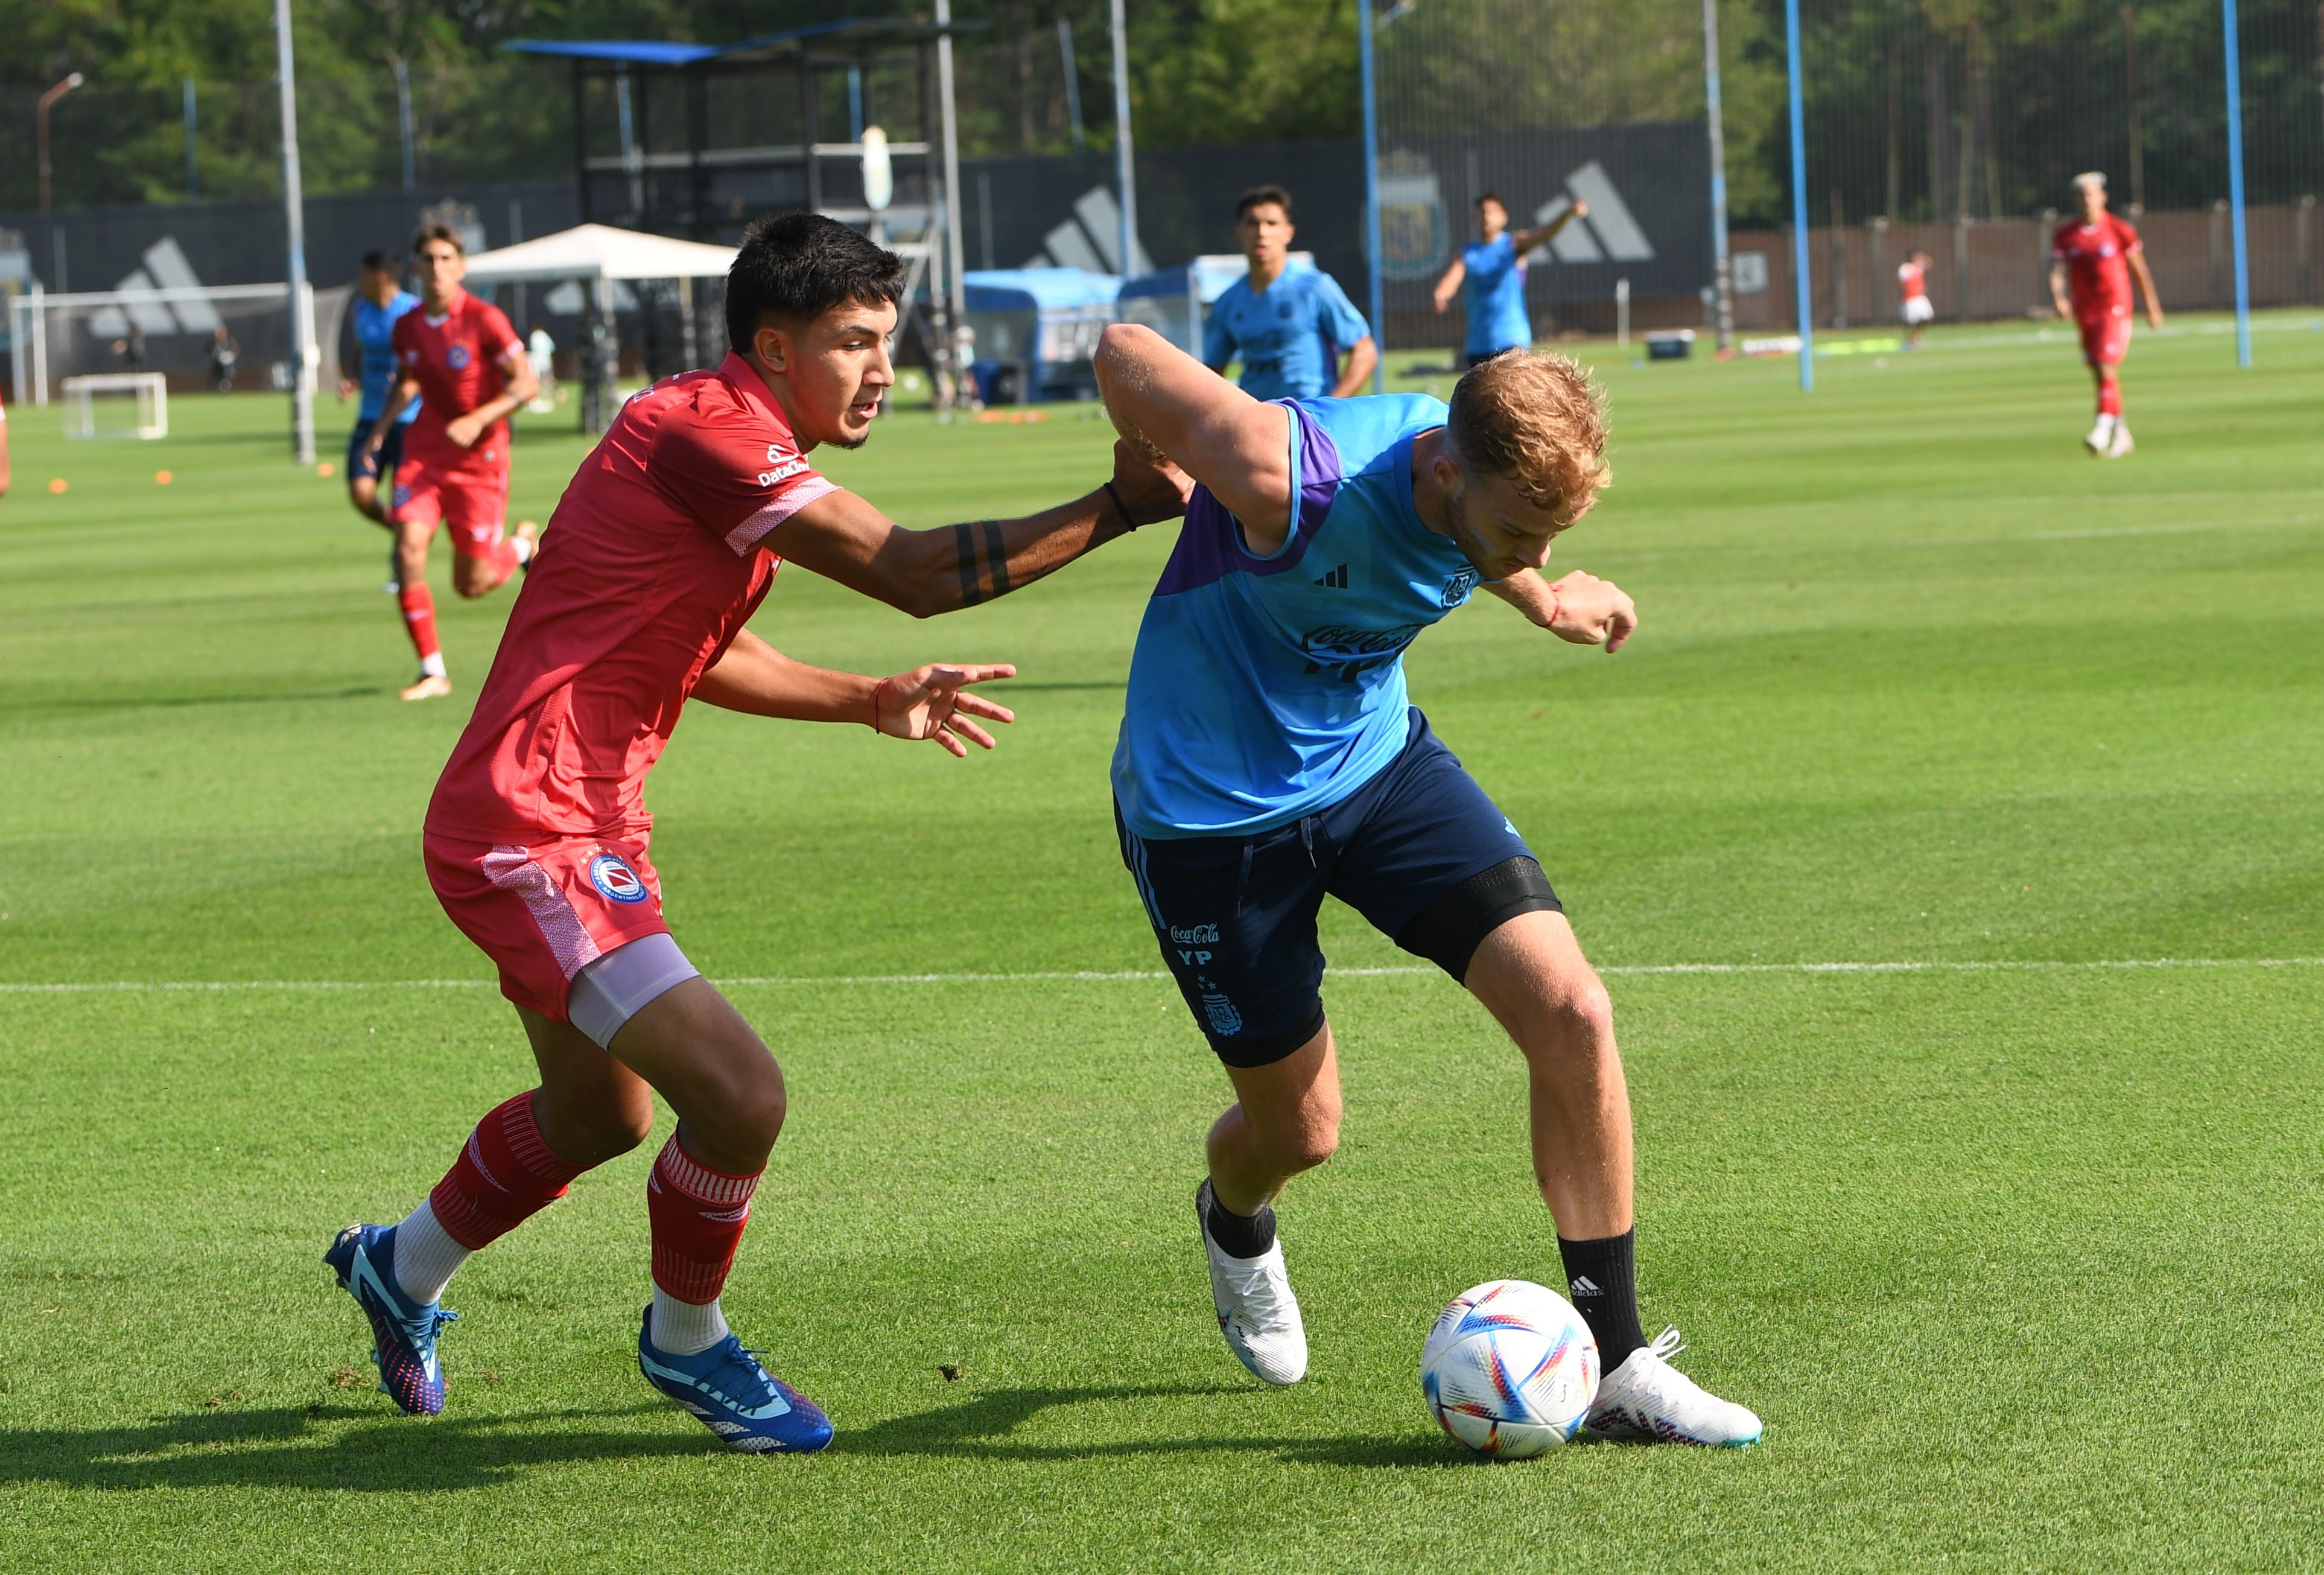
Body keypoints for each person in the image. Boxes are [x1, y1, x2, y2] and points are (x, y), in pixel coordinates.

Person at [322, 213, 1190, 1454]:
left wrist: (868, 698)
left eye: (889, 341)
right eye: (854, 342)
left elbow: (698, 642)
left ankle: (396, 1270)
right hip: (535, 824)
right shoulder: (706, 432)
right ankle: (688, 1345)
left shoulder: (707, 433)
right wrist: (1120, 503)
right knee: (741, 1097)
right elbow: (915, 570)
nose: (882, 368)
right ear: (773, 348)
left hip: (574, 814)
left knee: (602, 1120)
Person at [1091, 321, 1763, 1446]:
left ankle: (1616, 1360)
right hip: (1211, 818)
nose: (1523, 550)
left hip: (1375, 767)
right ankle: (1234, 1216)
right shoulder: (1283, 471)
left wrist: (1544, 597)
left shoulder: (1487, 506)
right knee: (1298, 1133)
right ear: (1445, 467)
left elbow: (1484, 547)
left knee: (1574, 1010)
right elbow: (1121, 348)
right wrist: (1141, 454)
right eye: (1514, 531)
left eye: (1550, 535)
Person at [366, 223, 541, 702]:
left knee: (473, 583)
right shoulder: (408, 326)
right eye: (430, 260)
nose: (438, 268)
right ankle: (432, 671)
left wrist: (479, 418)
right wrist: (380, 432)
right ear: (418, 268)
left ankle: (522, 547)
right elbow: (409, 381)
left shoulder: (485, 319)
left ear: (461, 267)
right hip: (426, 452)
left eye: (448, 259)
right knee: (408, 548)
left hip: (481, 460)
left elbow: (527, 385)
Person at [1202, 185, 1377, 400]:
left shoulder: (1314, 287)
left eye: (1271, 223)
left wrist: (1330, 408)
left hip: (1309, 419)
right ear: (1238, 232)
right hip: (1258, 422)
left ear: (1288, 232)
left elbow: (1364, 351)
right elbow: (1210, 374)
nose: (1262, 232)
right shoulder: (1227, 303)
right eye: (1252, 224)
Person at [2049, 171, 2162, 459]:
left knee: (2105, 364)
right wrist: (2059, 298)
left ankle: (2101, 429)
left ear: (2103, 197)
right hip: (2085, 313)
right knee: (2101, 373)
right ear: (2076, 200)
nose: (2087, 200)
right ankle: (2122, 434)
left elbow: (2139, 269)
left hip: (2115, 308)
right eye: (2082, 195)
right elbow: (2057, 271)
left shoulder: (2119, 229)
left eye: (2092, 194)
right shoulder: (2067, 235)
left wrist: (2151, 305)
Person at [1431, 192, 1587, 368]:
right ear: (1476, 218)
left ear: (1504, 217)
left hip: (1512, 342)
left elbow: (1544, 233)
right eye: (1482, 212)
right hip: (1478, 346)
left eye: (1492, 212)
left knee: (1515, 394)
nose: (1487, 217)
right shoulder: (1468, 254)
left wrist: (1567, 214)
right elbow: (1452, 279)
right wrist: (1441, 294)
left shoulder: (1512, 245)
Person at [337, 250, 423, 533]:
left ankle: (400, 570)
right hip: (370, 415)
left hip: (407, 420)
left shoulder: (413, 311)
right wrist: (352, 377)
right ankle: (399, 530)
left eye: (363, 275)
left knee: (404, 502)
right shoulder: (361, 309)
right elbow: (359, 351)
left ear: (380, 277)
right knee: (361, 494)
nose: (359, 282)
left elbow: (418, 369)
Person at [1897, 249, 1934, 349]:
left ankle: (1917, 336)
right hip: (1910, 298)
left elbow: (1930, 264)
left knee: (1927, 317)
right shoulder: (1905, 268)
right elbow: (1902, 283)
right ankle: (1910, 340)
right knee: (1911, 321)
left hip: (1920, 297)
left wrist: (1923, 256)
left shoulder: (1918, 267)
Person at [208, 326, 239, 393]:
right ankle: (218, 389)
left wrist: (229, 355)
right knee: (217, 377)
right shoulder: (213, 343)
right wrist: (220, 356)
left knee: (229, 375)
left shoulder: (230, 341)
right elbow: (210, 352)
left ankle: (228, 388)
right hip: (217, 364)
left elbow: (236, 350)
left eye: (222, 333)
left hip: (228, 364)